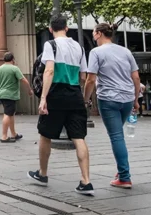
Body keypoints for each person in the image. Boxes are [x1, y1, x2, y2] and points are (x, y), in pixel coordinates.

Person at [28, 15, 94, 196]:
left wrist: (43, 98)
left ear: (50, 29)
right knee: (79, 137)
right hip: (75, 94)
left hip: (55, 95)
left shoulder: (51, 45)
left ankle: (42, 174)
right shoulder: (79, 48)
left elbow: (48, 70)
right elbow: (83, 77)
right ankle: (86, 181)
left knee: (45, 134)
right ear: (66, 28)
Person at [83, 23, 141, 189]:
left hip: (108, 99)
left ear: (99, 34)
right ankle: (121, 171)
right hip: (127, 99)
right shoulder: (125, 51)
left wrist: (85, 99)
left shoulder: (96, 52)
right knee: (119, 135)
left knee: (116, 136)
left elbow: (91, 79)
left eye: (94, 33)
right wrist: (136, 99)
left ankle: (124, 176)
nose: (93, 35)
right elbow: (136, 77)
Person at [0, 52, 31, 143]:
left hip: (1, 94)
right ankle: (4, 136)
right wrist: (29, 89)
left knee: (10, 113)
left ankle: (13, 133)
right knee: (7, 114)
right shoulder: (14, 68)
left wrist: (1, 86)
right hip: (10, 94)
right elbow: (23, 79)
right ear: (13, 59)